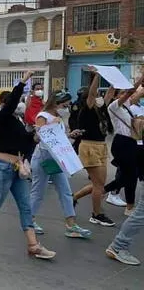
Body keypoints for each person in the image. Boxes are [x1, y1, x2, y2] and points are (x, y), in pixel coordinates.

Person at [0, 71, 56, 260]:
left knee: (25, 206)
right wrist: (23, 82)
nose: (21, 104)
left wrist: (36, 136)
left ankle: (33, 245)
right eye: (18, 102)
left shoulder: (17, 121)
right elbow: (12, 101)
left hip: (17, 169)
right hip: (3, 168)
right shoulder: (4, 118)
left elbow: (25, 143)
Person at [29, 91, 92, 238]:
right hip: (43, 158)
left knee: (65, 191)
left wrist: (70, 135)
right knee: (38, 191)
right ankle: (29, 220)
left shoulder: (57, 117)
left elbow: (57, 138)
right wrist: (48, 126)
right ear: (57, 102)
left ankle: (71, 224)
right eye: (65, 104)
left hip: (57, 159)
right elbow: (37, 138)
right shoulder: (43, 117)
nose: (67, 106)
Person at [72, 67, 115, 227]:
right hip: (89, 147)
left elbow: (110, 93)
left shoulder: (102, 108)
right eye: (97, 95)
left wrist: (114, 79)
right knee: (99, 185)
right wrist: (97, 75)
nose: (99, 97)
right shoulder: (87, 109)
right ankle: (97, 214)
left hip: (101, 146)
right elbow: (91, 94)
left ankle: (74, 197)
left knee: (99, 183)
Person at [104, 73, 144, 216]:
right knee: (130, 176)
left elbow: (135, 93)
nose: (125, 95)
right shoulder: (113, 107)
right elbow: (131, 92)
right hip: (122, 143)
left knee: (127, 176)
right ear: (115, 96)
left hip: (131, 142)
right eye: (121, 93)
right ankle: (129, 207)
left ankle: (101, 190)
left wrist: (141, 79)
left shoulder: (126, 108)